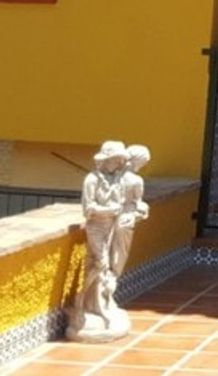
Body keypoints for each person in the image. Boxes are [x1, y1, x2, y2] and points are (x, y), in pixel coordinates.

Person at [70, 141, 130, 340]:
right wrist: (108, 210)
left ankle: (97, 303)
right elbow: (88, 208)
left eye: (119, 160)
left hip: (110, 226)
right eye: (115, 160)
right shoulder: (92, 180)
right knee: (99, 262)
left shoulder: (114, 179)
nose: (117, 163)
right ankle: (81, 301)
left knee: (106, 266)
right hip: (96, 226)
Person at [109, 144, 152, 290]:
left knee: (108, 255)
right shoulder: (136, 181)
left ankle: (108, 286)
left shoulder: (112, 176)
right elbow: (139, 206)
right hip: (122, 219)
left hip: (112, 219)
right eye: (144, 163)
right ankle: (111, 280)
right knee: (119, 254)